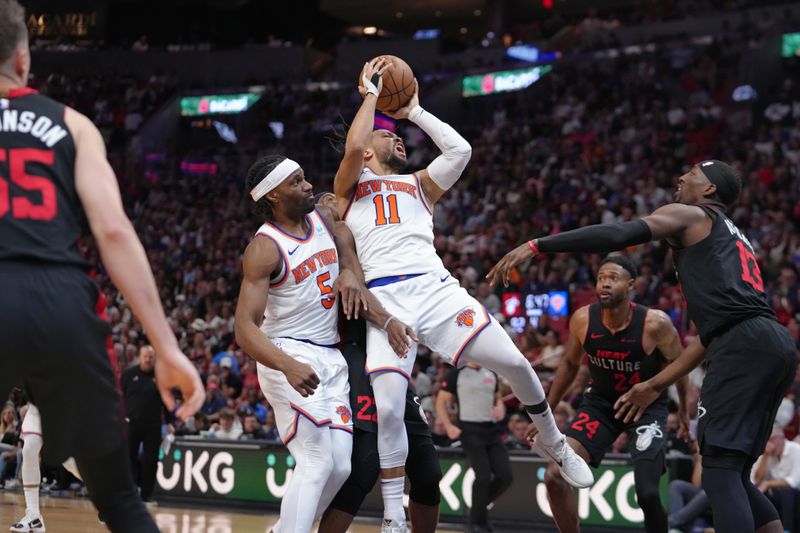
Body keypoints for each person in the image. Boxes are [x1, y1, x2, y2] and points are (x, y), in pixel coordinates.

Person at [333, 55, 592, 533]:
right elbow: (351, 149)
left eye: (398, 133)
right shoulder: (349, 189)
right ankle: (393, 515)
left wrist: (412, 112)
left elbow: (460, 151)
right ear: (369, 151)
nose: (396, 138)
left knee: (516, 362)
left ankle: (554, 441)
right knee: (389, 406)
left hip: (436, 291)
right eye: (386, 134)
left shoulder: (420, 186)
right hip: (386, 304)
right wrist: (371, 94)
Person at [489, 160, 796, 533]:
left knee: (716, 474)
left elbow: (620, 233)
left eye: (694, 173)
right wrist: (653, 384)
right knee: (735, 475)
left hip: (741, 346)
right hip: (771, 343)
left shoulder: (692, 215)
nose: (682, 177)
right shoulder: (730, 240)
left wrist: (540, 245)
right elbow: (705, 339)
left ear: (710, 189)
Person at [0, 2, 204, 531]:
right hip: (60, 301)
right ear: (23, 59)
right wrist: (165, 346)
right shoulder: (73, 125)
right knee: (118, 499)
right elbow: (113, 231)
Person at [234, 154, 415, 533]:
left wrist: (350, 273)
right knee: (316, 460)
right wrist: (287, 364)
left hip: (329, 356)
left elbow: (350, 259)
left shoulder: (325, 218)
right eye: (296, 182)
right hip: (289, 351)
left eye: (304, 177)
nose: (308, 185)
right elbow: (244, 329)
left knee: (342, 466)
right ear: (273, 197)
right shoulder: (265, 249)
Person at [529, 256, 688, 533]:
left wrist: (684, 411)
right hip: (600, 404)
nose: (604, 283)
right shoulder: (583, 319)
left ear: (630, 285)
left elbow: (681, 367)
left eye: (613, 278)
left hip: (645, 407)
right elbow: (568, 364)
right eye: (601, 277)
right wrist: (546, 411)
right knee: (555, 477)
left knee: (648, 493)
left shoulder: (655, 324)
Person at [315, 192, 442, 533]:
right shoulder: (327, 236)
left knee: (428, 472)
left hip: (385, 351)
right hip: (353, 350)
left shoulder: (377, 237)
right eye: (331, 199)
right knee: (366, 464)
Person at [436, 363, 511, 533]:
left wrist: (500, 406)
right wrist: (448, 426)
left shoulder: (491, 373)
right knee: (483, 476)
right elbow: (440, 402)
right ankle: (476, 523)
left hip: (491, 430)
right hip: (470, 430)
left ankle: (478, 512)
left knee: (505, 476)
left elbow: (497, 398)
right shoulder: (456, 374)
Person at [9, 403, 84, 533]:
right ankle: (33, 516)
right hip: (37, 404)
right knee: (29, 450)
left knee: (67, 460)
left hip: (62, 405)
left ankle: (103, 493)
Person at [120, 345, 162, 504]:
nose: (148, 359)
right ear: (139, 356)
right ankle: (129, 494)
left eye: (151, 356)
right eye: (145, 356)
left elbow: (167, 400)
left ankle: (147, 495)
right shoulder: (128, 375)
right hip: (132, 423)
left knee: (150, 461)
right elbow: (120, 397)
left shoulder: (160, 375)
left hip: (153, 425)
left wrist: (171, 421)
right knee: (128, 460)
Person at [752, 431, 800, 532]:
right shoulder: (768, 453)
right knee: (758, 494)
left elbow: (794, 481)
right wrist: (765, 456)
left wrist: (768, 484)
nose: (770, 444)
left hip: (795, 493)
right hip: (777, 493)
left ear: (782, 439)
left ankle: (787, 530)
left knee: (786, 491)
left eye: (772, 440)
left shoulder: (796, 450)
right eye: (767, 441)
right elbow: (756, 479)